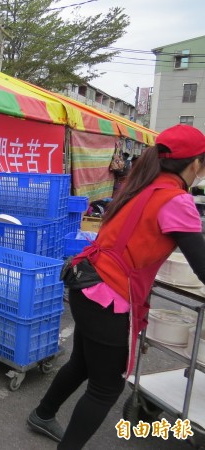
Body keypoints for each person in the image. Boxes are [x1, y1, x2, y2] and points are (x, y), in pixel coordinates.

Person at [27, 124, 205, 449]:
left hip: (86, 280)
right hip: (107, 292)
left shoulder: (142, 186)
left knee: (82, 362)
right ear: (195, 164)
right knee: (106, 387)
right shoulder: (176, 199)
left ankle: (42, 413)